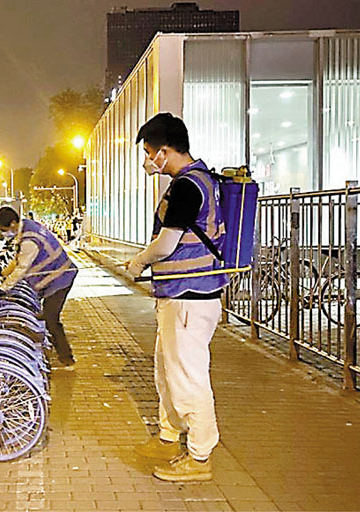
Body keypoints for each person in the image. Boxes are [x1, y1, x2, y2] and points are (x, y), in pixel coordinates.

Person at [126, 113, 228, 482]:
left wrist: (139, 262)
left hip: (190, 297)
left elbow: (167, 243)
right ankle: (169, 438)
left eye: (149, 152)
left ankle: (199, 457)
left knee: (188, 378)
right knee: (167, 372)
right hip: (180, 295)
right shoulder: (193, 181)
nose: (148, 160)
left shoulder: (188, 186)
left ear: (166, 151)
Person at [0, 206, 78, 368]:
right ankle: (50, 349)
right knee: (45, 315)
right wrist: (2, 274)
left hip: (60, 278)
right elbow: (17, 261)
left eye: (4, 230)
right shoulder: (27, 227)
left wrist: (3, 288)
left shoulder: (29, 240)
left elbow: (22, 268)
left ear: (13, 223)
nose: (4, 233)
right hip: (59, 276)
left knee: (51, 319)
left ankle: (66, 357)